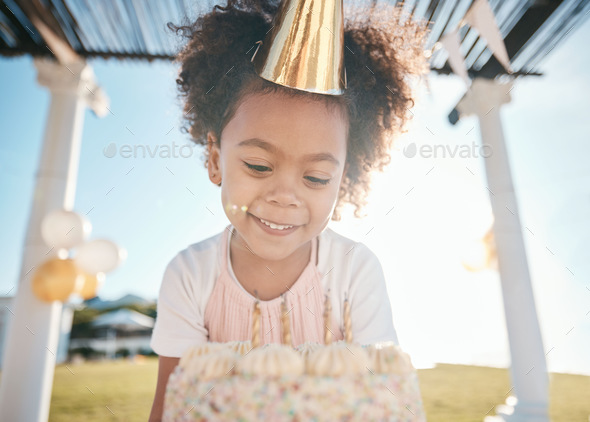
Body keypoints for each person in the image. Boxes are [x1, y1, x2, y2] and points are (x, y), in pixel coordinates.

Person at [148, 0, 428, 420]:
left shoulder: (355, 271)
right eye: (259, 166)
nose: (284, 196)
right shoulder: (190, 277)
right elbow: (172, 408)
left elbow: (389, 402)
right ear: (214, 158)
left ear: (344, 177)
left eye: (315, 177)